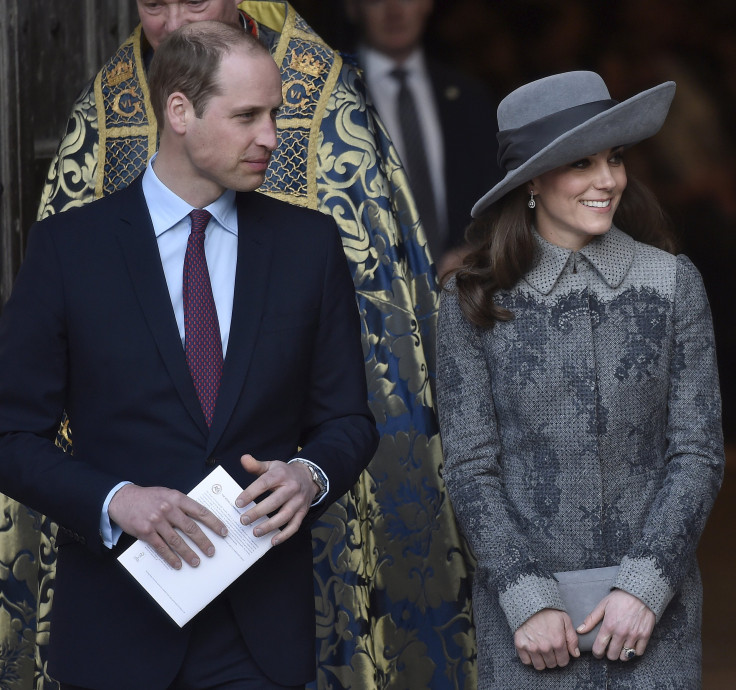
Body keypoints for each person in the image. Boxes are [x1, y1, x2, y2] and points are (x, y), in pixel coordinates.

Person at [0, 2, 475, 689]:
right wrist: (117, 500)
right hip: (115, 631)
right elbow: (12, 435)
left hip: (260, 638)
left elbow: (347, 420)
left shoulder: (309, 247)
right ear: (181, 112)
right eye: (248, 117)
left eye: (276, 114)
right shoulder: (69, 251)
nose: (272, 137)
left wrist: (309, 476)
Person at [436, 70, 724, 688]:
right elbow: (468, 467)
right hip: (528, 631)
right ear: (533, 181)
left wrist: (645, 588)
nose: (608, 181)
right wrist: (526, 596)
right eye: (582, 163)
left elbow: (697, 453)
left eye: (615, 159)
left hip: (655, 619)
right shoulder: (472, 300)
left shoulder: (674, 284)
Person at [345, 0, 502, 272]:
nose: (394, 10)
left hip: (461, 289)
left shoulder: (468, 96)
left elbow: (497, 196)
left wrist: (476, 249)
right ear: (352, 7)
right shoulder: (334, 98)